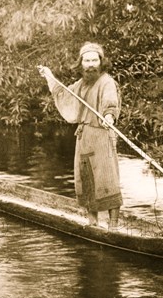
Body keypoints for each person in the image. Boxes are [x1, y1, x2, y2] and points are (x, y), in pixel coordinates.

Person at [39, 42, 122, 228]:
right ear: (81, 63)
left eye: (94, 60)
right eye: (87, 60)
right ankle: (93, 222)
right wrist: (49, 76)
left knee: (108, 178)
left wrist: (109, 116)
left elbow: (110, 102)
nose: (91, 64)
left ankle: (114, 226)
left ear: (101, 62)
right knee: (86, 178)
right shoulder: (82, 84)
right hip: (84, 137)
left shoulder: (106, 82)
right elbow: (63, 92)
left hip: (102, 135)